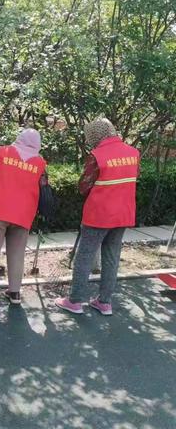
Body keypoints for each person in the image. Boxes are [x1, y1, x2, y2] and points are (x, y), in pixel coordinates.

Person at [55, 118, 140, 316]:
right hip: (123, 215)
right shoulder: (133, 153)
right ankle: (105, 302)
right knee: (111, 257)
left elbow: (84, 186)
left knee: (84, 257)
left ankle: (75, 301)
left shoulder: (97, 155)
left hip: (99, 215)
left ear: (94, 135)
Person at [0, 128, 48, 309]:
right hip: (23, 215)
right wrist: (45, 214)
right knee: (17, 255)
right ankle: (14, 293)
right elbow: (45, 191)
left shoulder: (2, 152)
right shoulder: (40, 163)